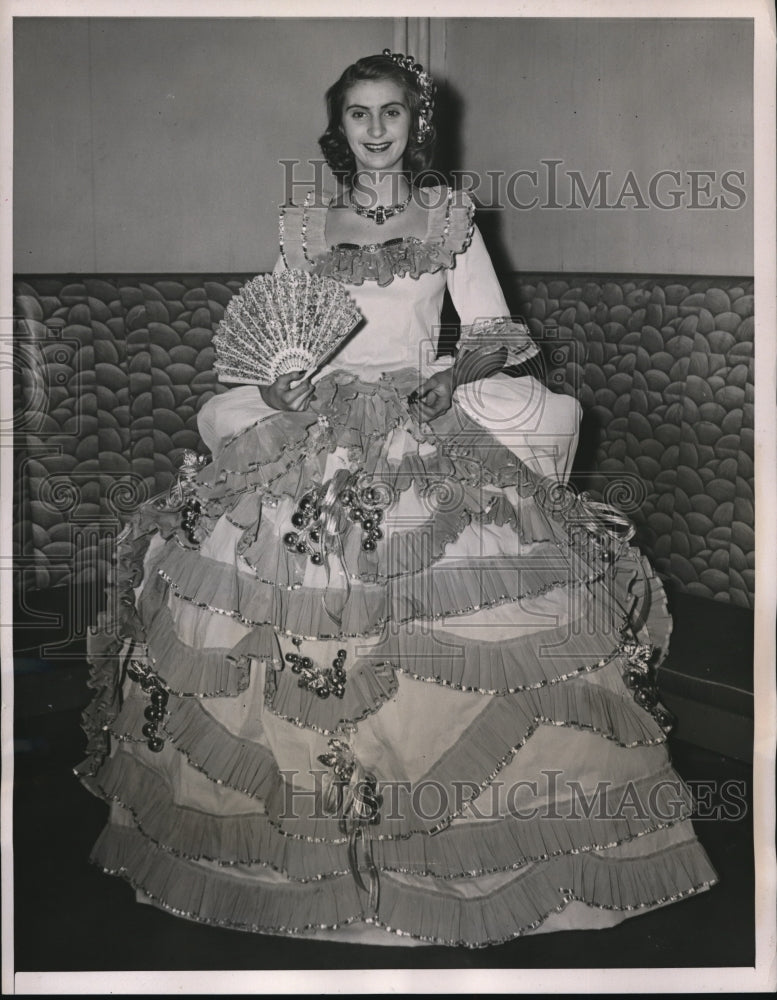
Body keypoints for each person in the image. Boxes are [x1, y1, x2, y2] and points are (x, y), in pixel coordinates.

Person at [77, 51, 717, 947]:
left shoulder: (450, 217)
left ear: (416, 125)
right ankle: (284, 861)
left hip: (424, 417)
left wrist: (453, 374)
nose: (375, 131)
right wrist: (288, 385)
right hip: (320, 426)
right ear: (335, 128)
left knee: (474, 614)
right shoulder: (305, 225)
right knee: (273, 600)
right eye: (357, 115)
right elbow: (282, 337)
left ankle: (462, 863)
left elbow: (495, 331)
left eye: (390, 115)